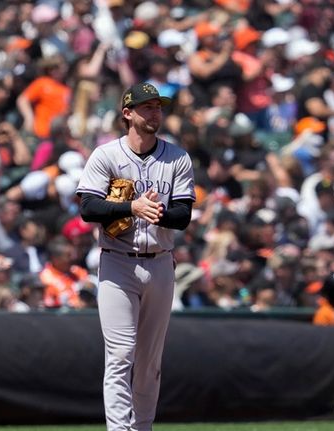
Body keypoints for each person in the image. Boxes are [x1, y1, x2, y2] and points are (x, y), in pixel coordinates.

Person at [76, 82, 195, 431]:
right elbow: (88, 207)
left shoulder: (177, 157)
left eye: (158, 106)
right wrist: (130, 206)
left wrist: (152, 211)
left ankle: (142, 427)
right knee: (120, 355)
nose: (154, 112)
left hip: (160, 262)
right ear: (127, 113)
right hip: (117, 261)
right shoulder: (106, 155)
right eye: (147, 107)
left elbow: (183, 215)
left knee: (149, 362)